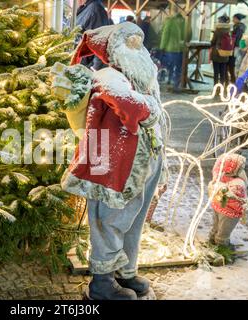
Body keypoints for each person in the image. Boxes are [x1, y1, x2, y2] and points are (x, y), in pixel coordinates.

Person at [53, 23, 165, 300]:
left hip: (142, 162)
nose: (138, 47)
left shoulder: (141, 78)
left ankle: (124, 271)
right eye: (130, 42)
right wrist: (152, 108)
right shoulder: (108, 75)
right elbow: (130, 105)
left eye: (139, 40)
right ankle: (102, 283)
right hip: (115, 165)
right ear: (115, 49)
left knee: (133, 220)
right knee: (110, 220)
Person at [208, 154, 248, 250]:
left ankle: (212, 238)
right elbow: (239, 198)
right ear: (234, 169)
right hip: (230, 212)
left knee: (216, 224)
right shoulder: (238, 183)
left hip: (218, 206)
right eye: (241, 167)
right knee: (225, 229)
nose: (243, 169)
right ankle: (221, 245)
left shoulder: (219, 178)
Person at [159, 9, 189, 92]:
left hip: (171, 48)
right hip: (181, 48)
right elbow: (189, 34)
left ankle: (169, 80)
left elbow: (165, 34)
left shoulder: (170, 22)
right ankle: (176, 84)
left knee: (169, 65)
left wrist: (162, 46)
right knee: (178, 67)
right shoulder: (186, 22)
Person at [75, 0, 110, 70]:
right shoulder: (86, 8)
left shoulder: (95, 9)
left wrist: (94, 69)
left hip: (86, 67)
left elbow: (100, 41)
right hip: (80, 63)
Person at [210, 15, 232, 86]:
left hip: (217, 53)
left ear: (221, 21)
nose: (218, 22)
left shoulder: (217, 30)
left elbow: (213, 42)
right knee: (223, 72)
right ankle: (222, 86)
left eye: (219, 20)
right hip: (226, 54)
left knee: (216, 72)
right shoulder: (229, 30)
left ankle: (215, 87)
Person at [227, 13, 247, 83]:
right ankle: (232, 79)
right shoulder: (240, 26)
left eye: (233, 18)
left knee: (231, 63)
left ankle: (233, 79)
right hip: (237, 47)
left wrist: (230, 35)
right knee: (232, 64)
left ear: (236, 18)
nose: (232, 20)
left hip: (235, 47)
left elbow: (235, 37)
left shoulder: (238, 27)